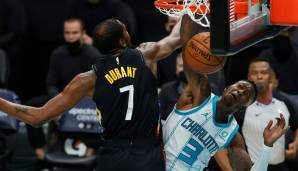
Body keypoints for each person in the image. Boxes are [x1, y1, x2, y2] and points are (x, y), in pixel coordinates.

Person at [0, 17, 181, 171]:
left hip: (113, 156)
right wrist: (190, 11)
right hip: (148, 153)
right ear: (122, 40)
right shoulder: (146, 55)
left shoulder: (87, 79)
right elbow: (178, 37)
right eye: (125, 30)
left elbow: (37, 117)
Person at [162, 15, 288, 171]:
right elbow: (188, 43)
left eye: (245, 95)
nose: (240, 91)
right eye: (239, 86)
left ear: (243, 107)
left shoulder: (232, 137)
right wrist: (191, 10)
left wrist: (267, 146)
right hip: (154, 163)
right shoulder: (200, 94)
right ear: (227, 88)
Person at [24, 18, 100, 170]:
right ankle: (41, 155)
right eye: (67, 33)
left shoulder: (93, 55)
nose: (71, 36)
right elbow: (50, 83)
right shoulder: (58, 54)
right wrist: (58, 102)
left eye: (74, 33)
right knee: (30, 106)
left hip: (86, 100)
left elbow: (98, 86)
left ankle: (91, 152)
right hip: (62, 98)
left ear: (83, 33)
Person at [239, 58, 298, 171]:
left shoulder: (283, 102)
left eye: (264, 72)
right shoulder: (241, 108)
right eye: (255, 73)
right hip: (253, 167)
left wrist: (296, 144)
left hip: (281, 166)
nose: (259, 76)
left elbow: (296, 126)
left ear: (270, 76)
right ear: (248, 77)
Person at [159, 52, 187, 121]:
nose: (185, 70)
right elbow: (160, 115)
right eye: (181, 66)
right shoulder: (167, 89)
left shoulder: (207, 89)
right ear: (176, 69)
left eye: (188, 66)